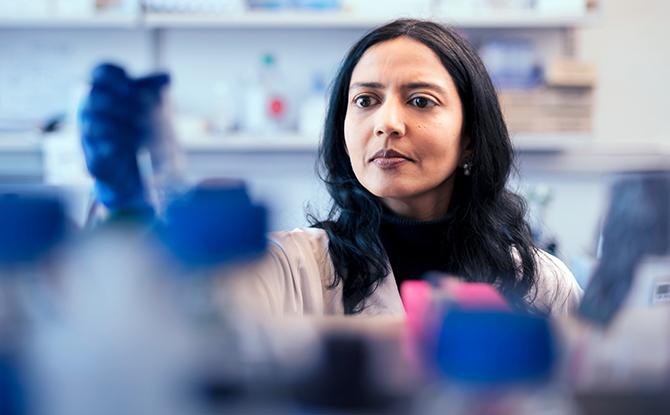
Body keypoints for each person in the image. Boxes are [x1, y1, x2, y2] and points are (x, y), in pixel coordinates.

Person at [80, 19, 582, 318]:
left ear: (470, 136)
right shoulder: (290, 267)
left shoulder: (541, 283)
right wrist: (126, 208)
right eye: (365, 100)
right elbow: (173, 322)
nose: (387, 124)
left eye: (420, 101)